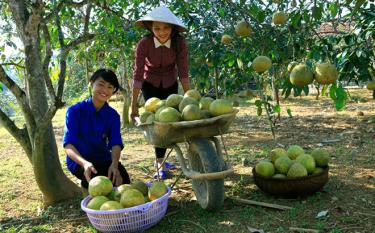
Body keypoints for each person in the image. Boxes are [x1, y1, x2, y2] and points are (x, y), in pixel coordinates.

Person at [130, 6, 190, 179]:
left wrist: (190, 98)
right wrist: (133, 106)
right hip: (150, 84)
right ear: (151, 28)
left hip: (171, 83)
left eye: (166, 28)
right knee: (158, 123)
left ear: (173, 28)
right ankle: (159, 161)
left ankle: (163, 158)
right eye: (157, 28)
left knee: (170, 120)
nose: (162, 32)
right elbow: (138, 74)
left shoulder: (180, 44)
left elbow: (183, 73)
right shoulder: (144, 44)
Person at [63, 69, 130, 189]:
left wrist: (114, 165)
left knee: (123, 181)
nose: (105, 90)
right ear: (91, 83)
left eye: (110, 87)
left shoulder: (113, 116)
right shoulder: (75, 111)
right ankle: (87, 191)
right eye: (101, 84)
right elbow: (68, 145)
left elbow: (116, 143)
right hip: (80, 160)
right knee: (97, 180)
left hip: (102, 158)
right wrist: (84, 163)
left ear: (114, 90)